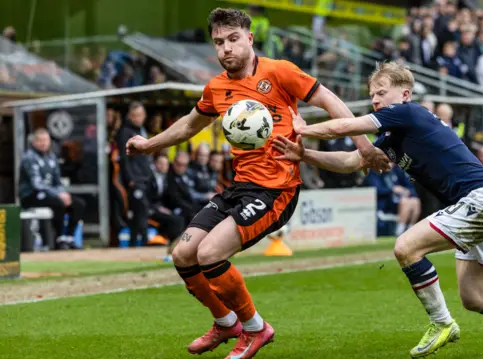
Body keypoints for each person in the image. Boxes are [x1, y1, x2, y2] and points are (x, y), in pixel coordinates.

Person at [125, 8, 389, 359]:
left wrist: (365, 148)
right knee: (183, 254)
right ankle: (226, 322)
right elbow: (189, 125)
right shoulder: (217, 87)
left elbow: (329, 101)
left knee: (209, 254)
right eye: (219, 42)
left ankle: (255, 329)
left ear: (249, 38)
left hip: (277, 188)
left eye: (233, 39)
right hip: (241, 186)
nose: (226, 49)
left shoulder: (279, 72)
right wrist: (148, 145)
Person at [273, 61, 483, 358]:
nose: (375, 99)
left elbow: (346, 125)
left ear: (404, 94)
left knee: (406, 247)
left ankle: (442, 323)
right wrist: (304, 154)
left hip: (478, 200)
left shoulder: (407, 112)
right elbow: (352, 161)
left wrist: (304, 128)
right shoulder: (392, 137)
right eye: (372, 94)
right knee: (475, 298)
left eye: (381, 92)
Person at [19, 128, 85, 250]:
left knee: (78, 204)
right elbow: (36, 184)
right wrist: (57, 195)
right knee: (58, 203)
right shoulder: (29, 157)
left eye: (45, 140)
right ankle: (58, 239)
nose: (43, 143)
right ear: (34, 142)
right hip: (31, 195)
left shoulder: (51, 157)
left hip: (50, 194)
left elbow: (57, 181)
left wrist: (63, 193)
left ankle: (68, 238)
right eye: (40, 140)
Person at [115, 101, 153, 247]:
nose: (138, 118)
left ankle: (138, 241)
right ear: (129, 116)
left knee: (143, 210)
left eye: (141, 115)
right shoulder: (125, 132)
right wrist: (130, 178)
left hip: (145, 177)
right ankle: (141, 242)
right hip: (134, 179)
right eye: (135, 115)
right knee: (139, 209)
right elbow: (124, 158)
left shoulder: (142, 130)